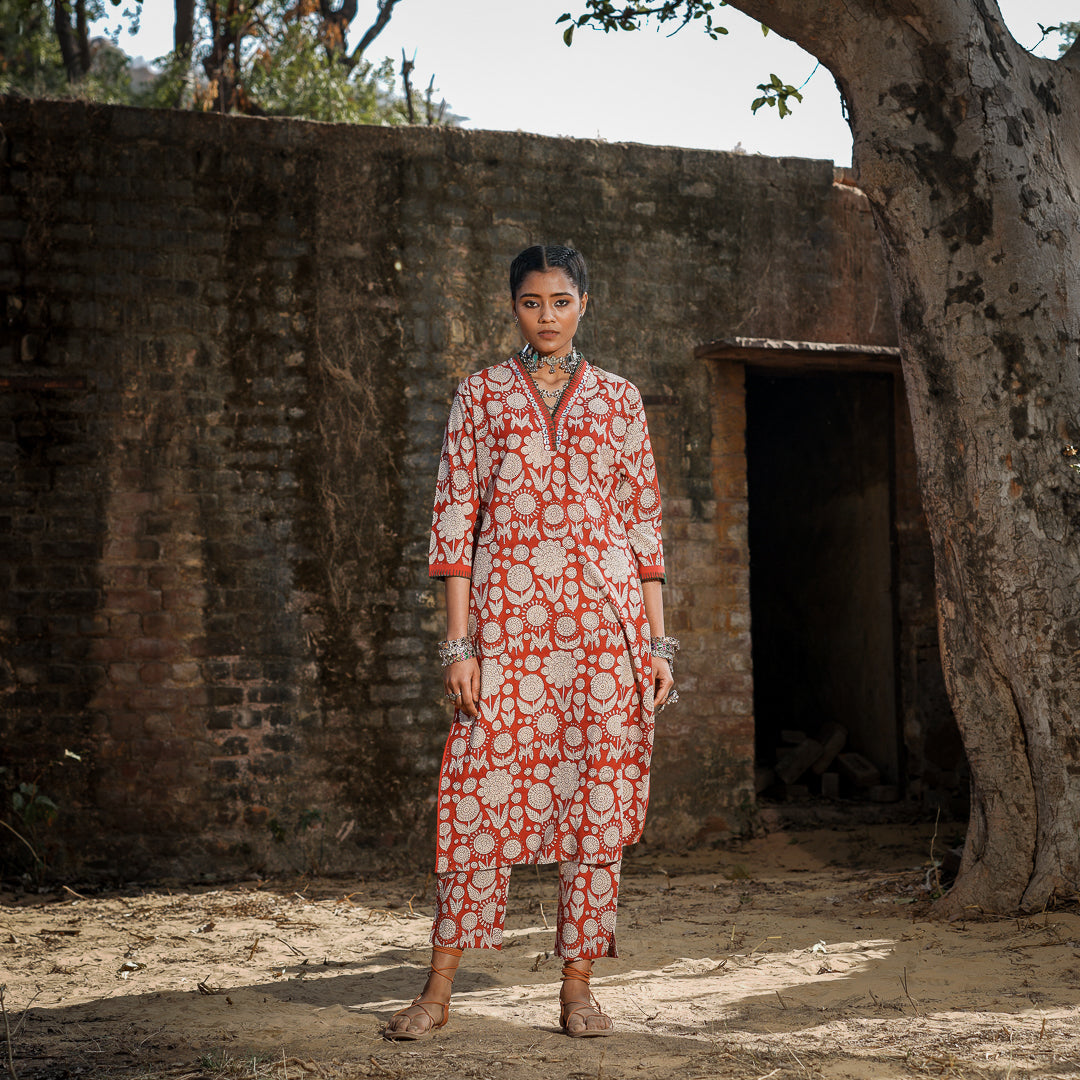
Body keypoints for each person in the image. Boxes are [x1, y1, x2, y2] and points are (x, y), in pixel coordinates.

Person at [385, 244, 677, 1041]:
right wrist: (459, 646)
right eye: (530, 302)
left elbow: (644, 525)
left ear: (586, 302)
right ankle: (437, 993)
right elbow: (454, 522)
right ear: (512, 307)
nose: (546, 316)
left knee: (593, 808)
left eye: (560, 300)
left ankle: (578, 992)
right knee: (477, 795)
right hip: (509, 634)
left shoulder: (620, 401)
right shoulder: (480, 396)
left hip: (603, 634)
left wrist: (658, 645)